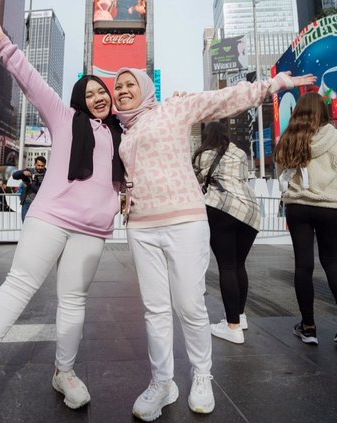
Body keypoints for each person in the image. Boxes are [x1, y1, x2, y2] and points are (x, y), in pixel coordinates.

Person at [0, 21, 125, 421]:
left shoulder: (120, 135)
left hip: (93, 230)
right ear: (79, 100)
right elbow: (33, 82)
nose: (98, 98)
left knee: (73, 301)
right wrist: (6, 46)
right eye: (89, 93)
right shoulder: (63, 117)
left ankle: (65, 372)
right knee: (19, 286)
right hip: (51, 217)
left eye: (102, 92)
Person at [112, 67, 316, 421]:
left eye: (130, 84)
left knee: (191, 306)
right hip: (142, 227)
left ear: (144, 88)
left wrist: (271, 85)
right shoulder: (122, 130)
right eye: (119, 86)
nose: (123, 90)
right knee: (155, 310)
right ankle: (162, 382)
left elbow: (223, 100)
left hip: (184, 221)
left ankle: (201, 376)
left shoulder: (174, 109)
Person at [273, 92, 337, 345]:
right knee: (332, 262)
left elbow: (281, 175)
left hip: (298, 206)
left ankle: (308, 327)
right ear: (323, 112)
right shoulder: (333, 137)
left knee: (303, 265)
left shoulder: (288, 139)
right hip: (329, 206)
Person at [192, 121, 260, 345]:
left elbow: (195, 182)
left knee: (227, 266)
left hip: (221, 209)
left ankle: (233, 328)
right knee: (239, 265)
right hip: (249, 211)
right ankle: (240, 317)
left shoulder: (203, 155)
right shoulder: (239, 153)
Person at [13, 155, 47, 221]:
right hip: (27, 202)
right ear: (35, 164)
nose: (40, 167)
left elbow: (40, 190)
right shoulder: (30, 171)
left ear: (45, 165)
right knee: (25, 222)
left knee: (37, 224)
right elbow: (14, 175)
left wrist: (30, 184)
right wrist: (23, 172)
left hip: (40, 203)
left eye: (42, 166)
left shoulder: (47, 174)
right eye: (38, 165)